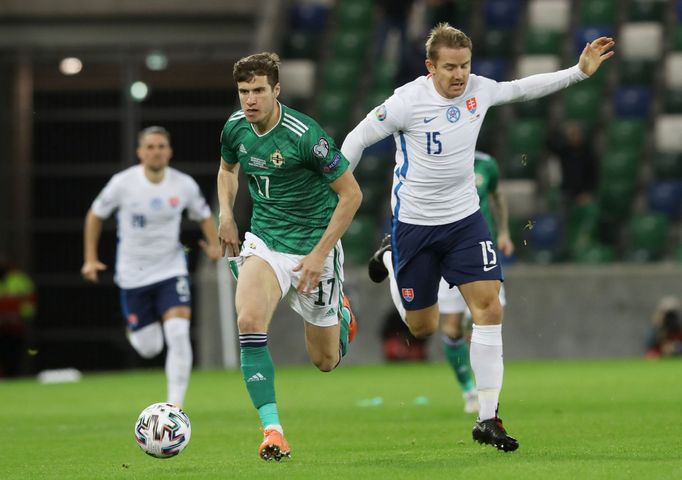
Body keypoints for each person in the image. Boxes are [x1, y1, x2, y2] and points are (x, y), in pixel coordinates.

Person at [341, 23, 615, 452]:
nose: (459, 75)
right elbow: (357, 139)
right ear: (430, 66)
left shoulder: (479, 90)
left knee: (488, 308)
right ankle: (392, 259)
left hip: (466, 221)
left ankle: (488, 418)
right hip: (414, 226)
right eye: (449, 67)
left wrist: (578, 72)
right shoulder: (405, 102)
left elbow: (524, 88)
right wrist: (337, 187)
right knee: (423, 327)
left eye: (465, 65)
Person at [217, 52, 362, 461]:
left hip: (313, 249)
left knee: (325, 361)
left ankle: (342, 314)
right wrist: (227, 214)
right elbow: (227, 170)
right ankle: (273, 430)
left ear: (276, 90)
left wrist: (320, 255)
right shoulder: (234, 128)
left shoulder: (305, 135)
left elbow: (352, 195)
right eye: (244, 91)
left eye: (259, 90)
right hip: (264, 242)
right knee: (248, 320)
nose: (250, 100)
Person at [81, 126, 221, 408]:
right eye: (150, 147)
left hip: (171, 270)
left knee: (179, 333)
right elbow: (95, 215)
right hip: (133, 274)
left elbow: (204, 215)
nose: (156, 151)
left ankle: (174, 406)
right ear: (140, 152)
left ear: (169, 151)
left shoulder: (183, 185)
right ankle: (135, 329)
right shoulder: (123, 183)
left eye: (161, 146)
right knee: (150, 348)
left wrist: (215, 243)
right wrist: (90, 257)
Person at [437, 151, 514, 414]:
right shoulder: (438, 157)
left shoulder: (487, 163)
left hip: (481, 250)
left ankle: (488, 398)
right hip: (446, 250)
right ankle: (468, 389)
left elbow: (496, 196)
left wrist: (504, 231)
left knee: (488, 319)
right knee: (451, 327)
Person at [0, 253, 36, 378]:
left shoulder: (19, 278)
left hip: (14, 327)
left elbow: (29, 303)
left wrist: (21, 318)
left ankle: (12, 378)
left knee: (12, 356)